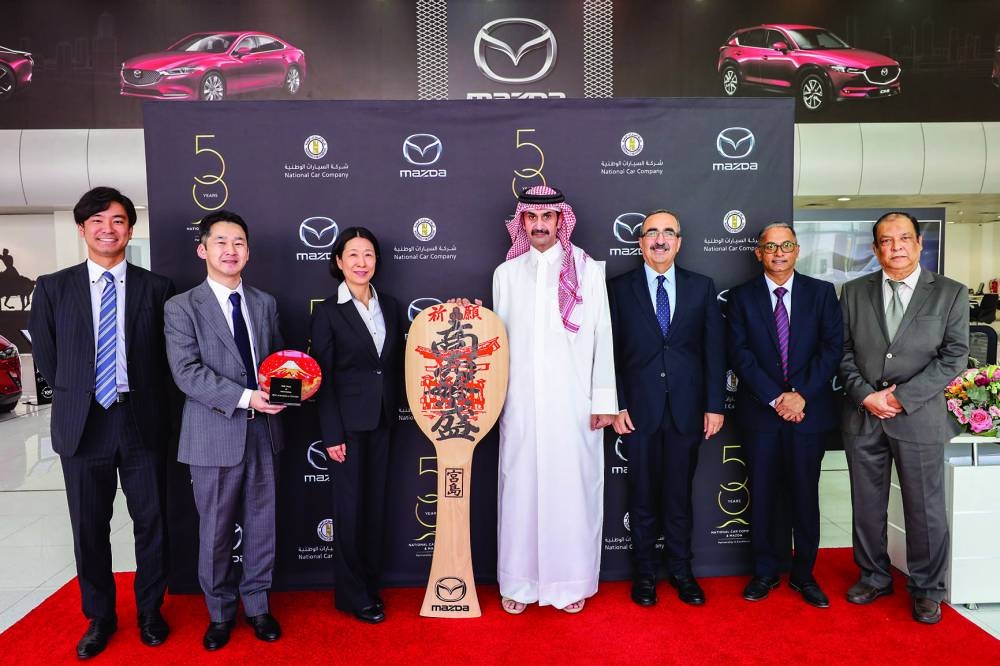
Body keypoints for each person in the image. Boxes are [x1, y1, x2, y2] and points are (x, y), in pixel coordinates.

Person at [28, 186, 174, 658]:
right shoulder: (53, 287)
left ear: (130, 228)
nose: (107, 229)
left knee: (152, 522)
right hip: (83, 422)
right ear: (82, 229)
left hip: (141, 419)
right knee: (88, 526)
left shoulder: (157, 288)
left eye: (116, 220)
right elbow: (49, 360)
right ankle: (100, 616)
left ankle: (151, 609)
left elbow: (166, 363)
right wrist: (82, 395)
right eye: (97, 221)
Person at [491, 185, 617, 614]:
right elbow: (498, 342)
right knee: (520, 492)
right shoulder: (506, 274)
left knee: (572, 494)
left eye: (548, 218)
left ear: (561, 221)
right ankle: (519, 583)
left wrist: (603, 400)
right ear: (522, 223)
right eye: (532, 218)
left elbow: (603, 338)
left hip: (572, 406)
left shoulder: (588, 269)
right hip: (521, 406)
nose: (540, 225)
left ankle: (570, 583)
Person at [164, 210, 286, 650]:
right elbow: (186, 372)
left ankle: (257, 606)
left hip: (264, 433)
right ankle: (219, 612)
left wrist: (291, 387)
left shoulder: (264, 303)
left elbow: (273, 365)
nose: (230, 250)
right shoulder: (181, 307)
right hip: (213, 432)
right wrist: (246, 397)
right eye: (221, 242)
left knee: (262, 525)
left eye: (238, 243)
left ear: (248, 251)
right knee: (214, 531)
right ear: (203, 250)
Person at [839, 211, 968, 624]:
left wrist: (901, 398)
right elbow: (841, 353)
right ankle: (874, 576)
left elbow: (955, 356)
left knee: (924, 508)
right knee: (867, 504)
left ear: (919, 244)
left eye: (904, 239)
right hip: (864, 415)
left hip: (919, 415)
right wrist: (866, 395)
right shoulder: (853, 291)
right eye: (886, 241)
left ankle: (928, 587)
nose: (895, 247)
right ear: (875, 248)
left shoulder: (949, 292)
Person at [609, 209, 725, 607]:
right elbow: (609, 355)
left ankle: (681, 570)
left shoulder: (701, 287)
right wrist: (617, 403)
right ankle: (644, 573)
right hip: (637, 413)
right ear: (640, 242)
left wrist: (713, 405)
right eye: (651, 233)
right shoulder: (618, 289)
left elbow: (714, 351)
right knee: (641, 497)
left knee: (679, 496)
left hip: (687, 412)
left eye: (668, 233)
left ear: (679, 241)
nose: (660, 240)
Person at [726, 222, 842, 608]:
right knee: (762, 496)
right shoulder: (742, 298)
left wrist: (800, 395)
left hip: (808, 414)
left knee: (805, 496)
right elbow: (739, 354)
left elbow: (831, 349)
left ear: (797, 250)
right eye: (770, 246)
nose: (779, 252)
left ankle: (805, 575)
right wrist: (777, 397)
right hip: (761, 415)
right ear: (758, 253)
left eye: (786, 245)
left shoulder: (822, 293)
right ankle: (765, 572)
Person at [310, 227, 403, 624]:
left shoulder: (393, 307)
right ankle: (351, 595)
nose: (361, 262)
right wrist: (331, 435)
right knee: (348, 510)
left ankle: (369, 583)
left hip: (383, 420)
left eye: (368, 254)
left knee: (374, 507)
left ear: (376, 262)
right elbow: (322, 378)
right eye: (353, 255)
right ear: (338, 262)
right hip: (345, 428)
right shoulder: (328, 312)